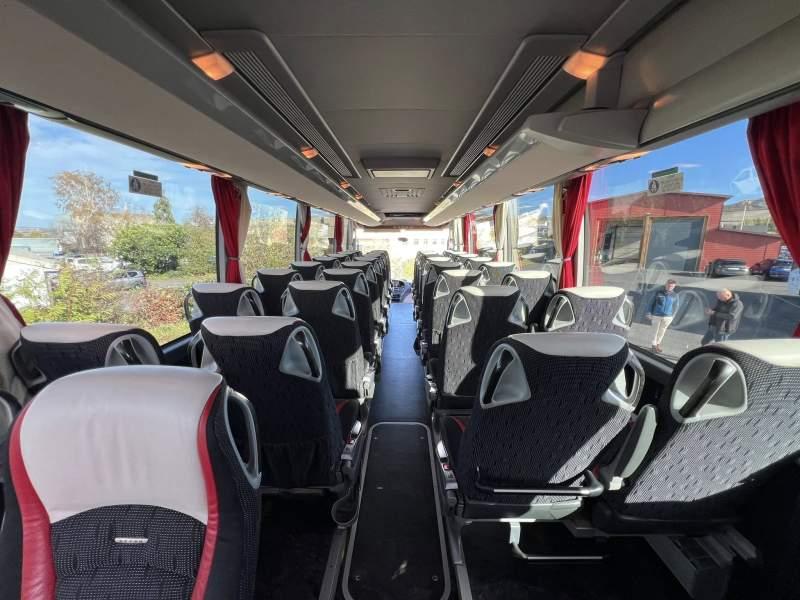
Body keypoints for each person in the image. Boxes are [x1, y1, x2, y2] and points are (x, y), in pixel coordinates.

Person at [647, 279, 679, 353]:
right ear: (666, 284)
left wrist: (672, 316)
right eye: (668, 285)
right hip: (656, 315)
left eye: (671, 286)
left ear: (674, 286)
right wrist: (649, 313)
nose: (669, 287)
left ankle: (657, 345)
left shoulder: (675, 295)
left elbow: (676, 306)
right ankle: (653, 346)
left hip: (668, 317)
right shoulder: (658, 293)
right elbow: (651, 303)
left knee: (662, 331)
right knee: (654, 331)